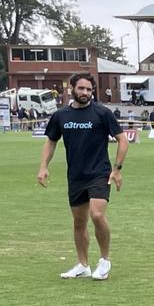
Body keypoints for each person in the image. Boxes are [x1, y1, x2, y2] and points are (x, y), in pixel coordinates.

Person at [37, 73, 127, 280]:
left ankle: (104, 260)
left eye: (89, 90)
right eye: (81, 89)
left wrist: (117, 168)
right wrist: (43, 167)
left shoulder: (102, 113)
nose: (85, 93)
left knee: (96, 215)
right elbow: (51, 142)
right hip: (76, 176)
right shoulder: (61, 116)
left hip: (99, 173)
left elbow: (123, 140)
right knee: (79, 222)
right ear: (72, 89)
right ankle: (82, 265)